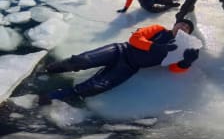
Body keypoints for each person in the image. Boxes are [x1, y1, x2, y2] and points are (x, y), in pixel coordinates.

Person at [38, 20, 198, 105]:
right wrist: (156, 47)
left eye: (187, 28)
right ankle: (47, 70)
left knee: (96, 86)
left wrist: (186, 63)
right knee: (82, 60)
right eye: (181, 23)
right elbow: (135, 38)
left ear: (188, 33)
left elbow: (174, 69)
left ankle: (52, 96)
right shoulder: (158, 29)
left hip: (130, 66)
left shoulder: (180, 49)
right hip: (120, 50)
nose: (183, 27)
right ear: (175, 24)